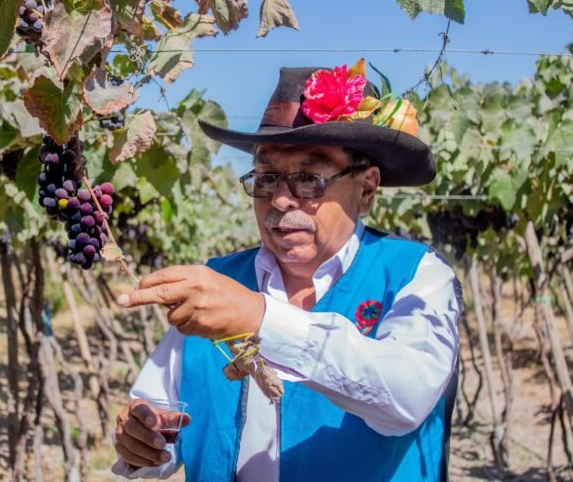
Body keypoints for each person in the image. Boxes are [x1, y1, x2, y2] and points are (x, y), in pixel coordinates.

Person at [110, 61, 462, 481]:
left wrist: (259, 319)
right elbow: (159, 415)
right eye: (266, 178)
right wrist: (142, 443)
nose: (279, 200)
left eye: (309, 179)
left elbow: (408, 396)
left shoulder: (416, 275)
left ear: (366, 189)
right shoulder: (218, 281)